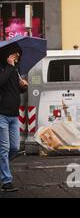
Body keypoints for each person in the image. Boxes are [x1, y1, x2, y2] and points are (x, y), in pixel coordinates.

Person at [0, 43, 28, 192]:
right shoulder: (4, 68)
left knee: (15, 148)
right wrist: (10, 67)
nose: (17, 55)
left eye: (18, 53)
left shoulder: (16, 70)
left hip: (14, 115)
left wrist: (23, 87)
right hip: (2, 115)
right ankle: (6, 181)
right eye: (14, 53)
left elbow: (14, 90)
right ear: (7, 55)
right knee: (4, 148)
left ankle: (2, 166)